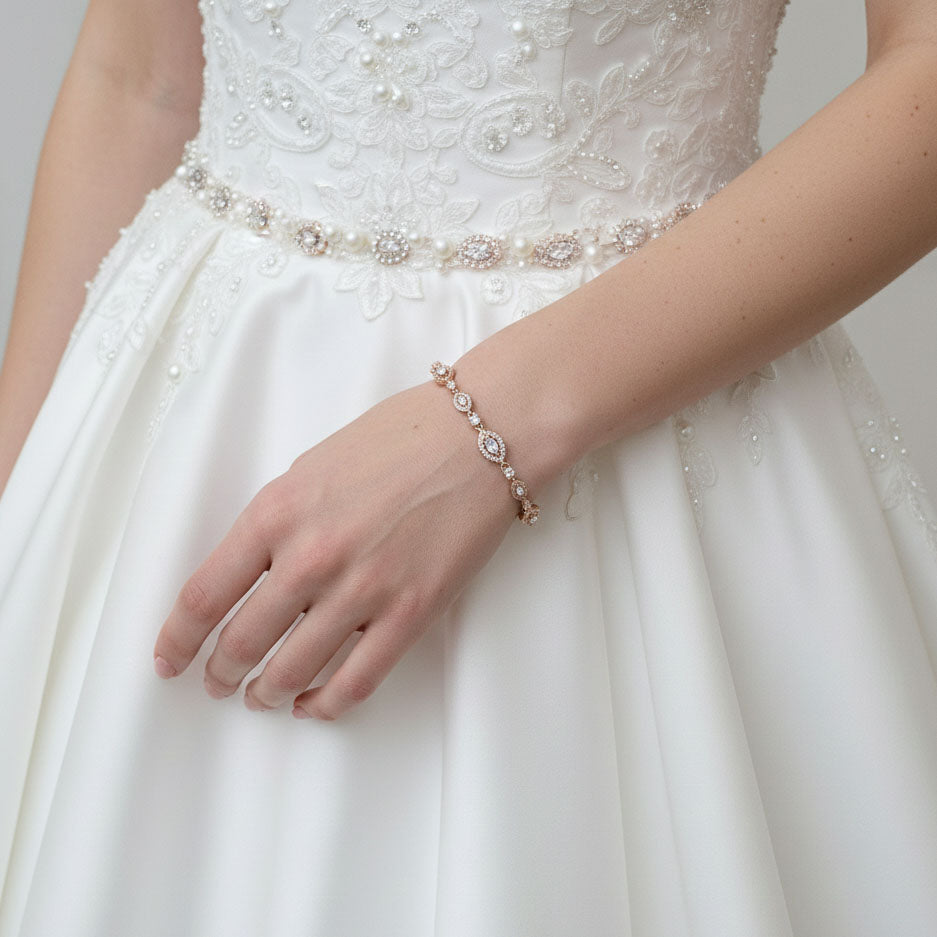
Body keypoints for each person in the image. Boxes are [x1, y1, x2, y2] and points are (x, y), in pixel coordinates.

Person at [1, 0, 936, 933]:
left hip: (639, 447)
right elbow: (138, 83)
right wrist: (21, 509)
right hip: (180, 446)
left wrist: (488, 429)